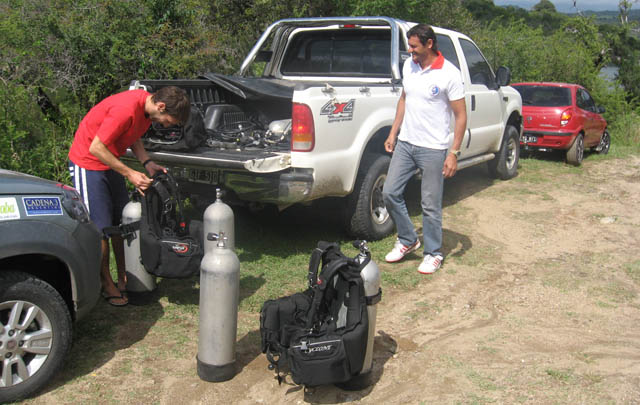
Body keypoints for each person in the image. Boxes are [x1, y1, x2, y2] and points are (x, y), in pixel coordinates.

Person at [68, 86, 190, 305]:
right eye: (170, 120)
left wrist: (147, 163)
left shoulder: (146, 111)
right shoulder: (125, 109)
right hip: (87, 163)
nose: (168, 125)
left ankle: (124, 275)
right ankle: (105, 282)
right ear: (161, 106)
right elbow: (96, 147)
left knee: (124, 222)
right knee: (101, 229)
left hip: (109, 161)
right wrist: (130, 173)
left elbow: (133, 136)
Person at [382, 24, 467, 275]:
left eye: (414, 46)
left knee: (430, 204)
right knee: (389, 193)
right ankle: (408, 239)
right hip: (406, 143)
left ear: (429, 44)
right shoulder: (410, 65)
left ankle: (433, 253)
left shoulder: (449, 74)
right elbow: (404, 98)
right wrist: (393, 132)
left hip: (433, 147)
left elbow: (461, 116)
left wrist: (454, 152)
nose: (410, 51)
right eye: (409, 45)